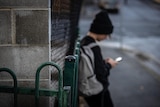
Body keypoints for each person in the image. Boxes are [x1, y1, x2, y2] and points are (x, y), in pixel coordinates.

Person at [80, 10, 118, 107]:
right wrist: (110, 65)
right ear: (101, 31)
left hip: (89, 90)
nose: (107, 37)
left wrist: (103, 62)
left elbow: (93, 65)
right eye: (106, 34)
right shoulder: (94, 48)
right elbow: (101, 74)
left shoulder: (84, 42)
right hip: (97, 91)